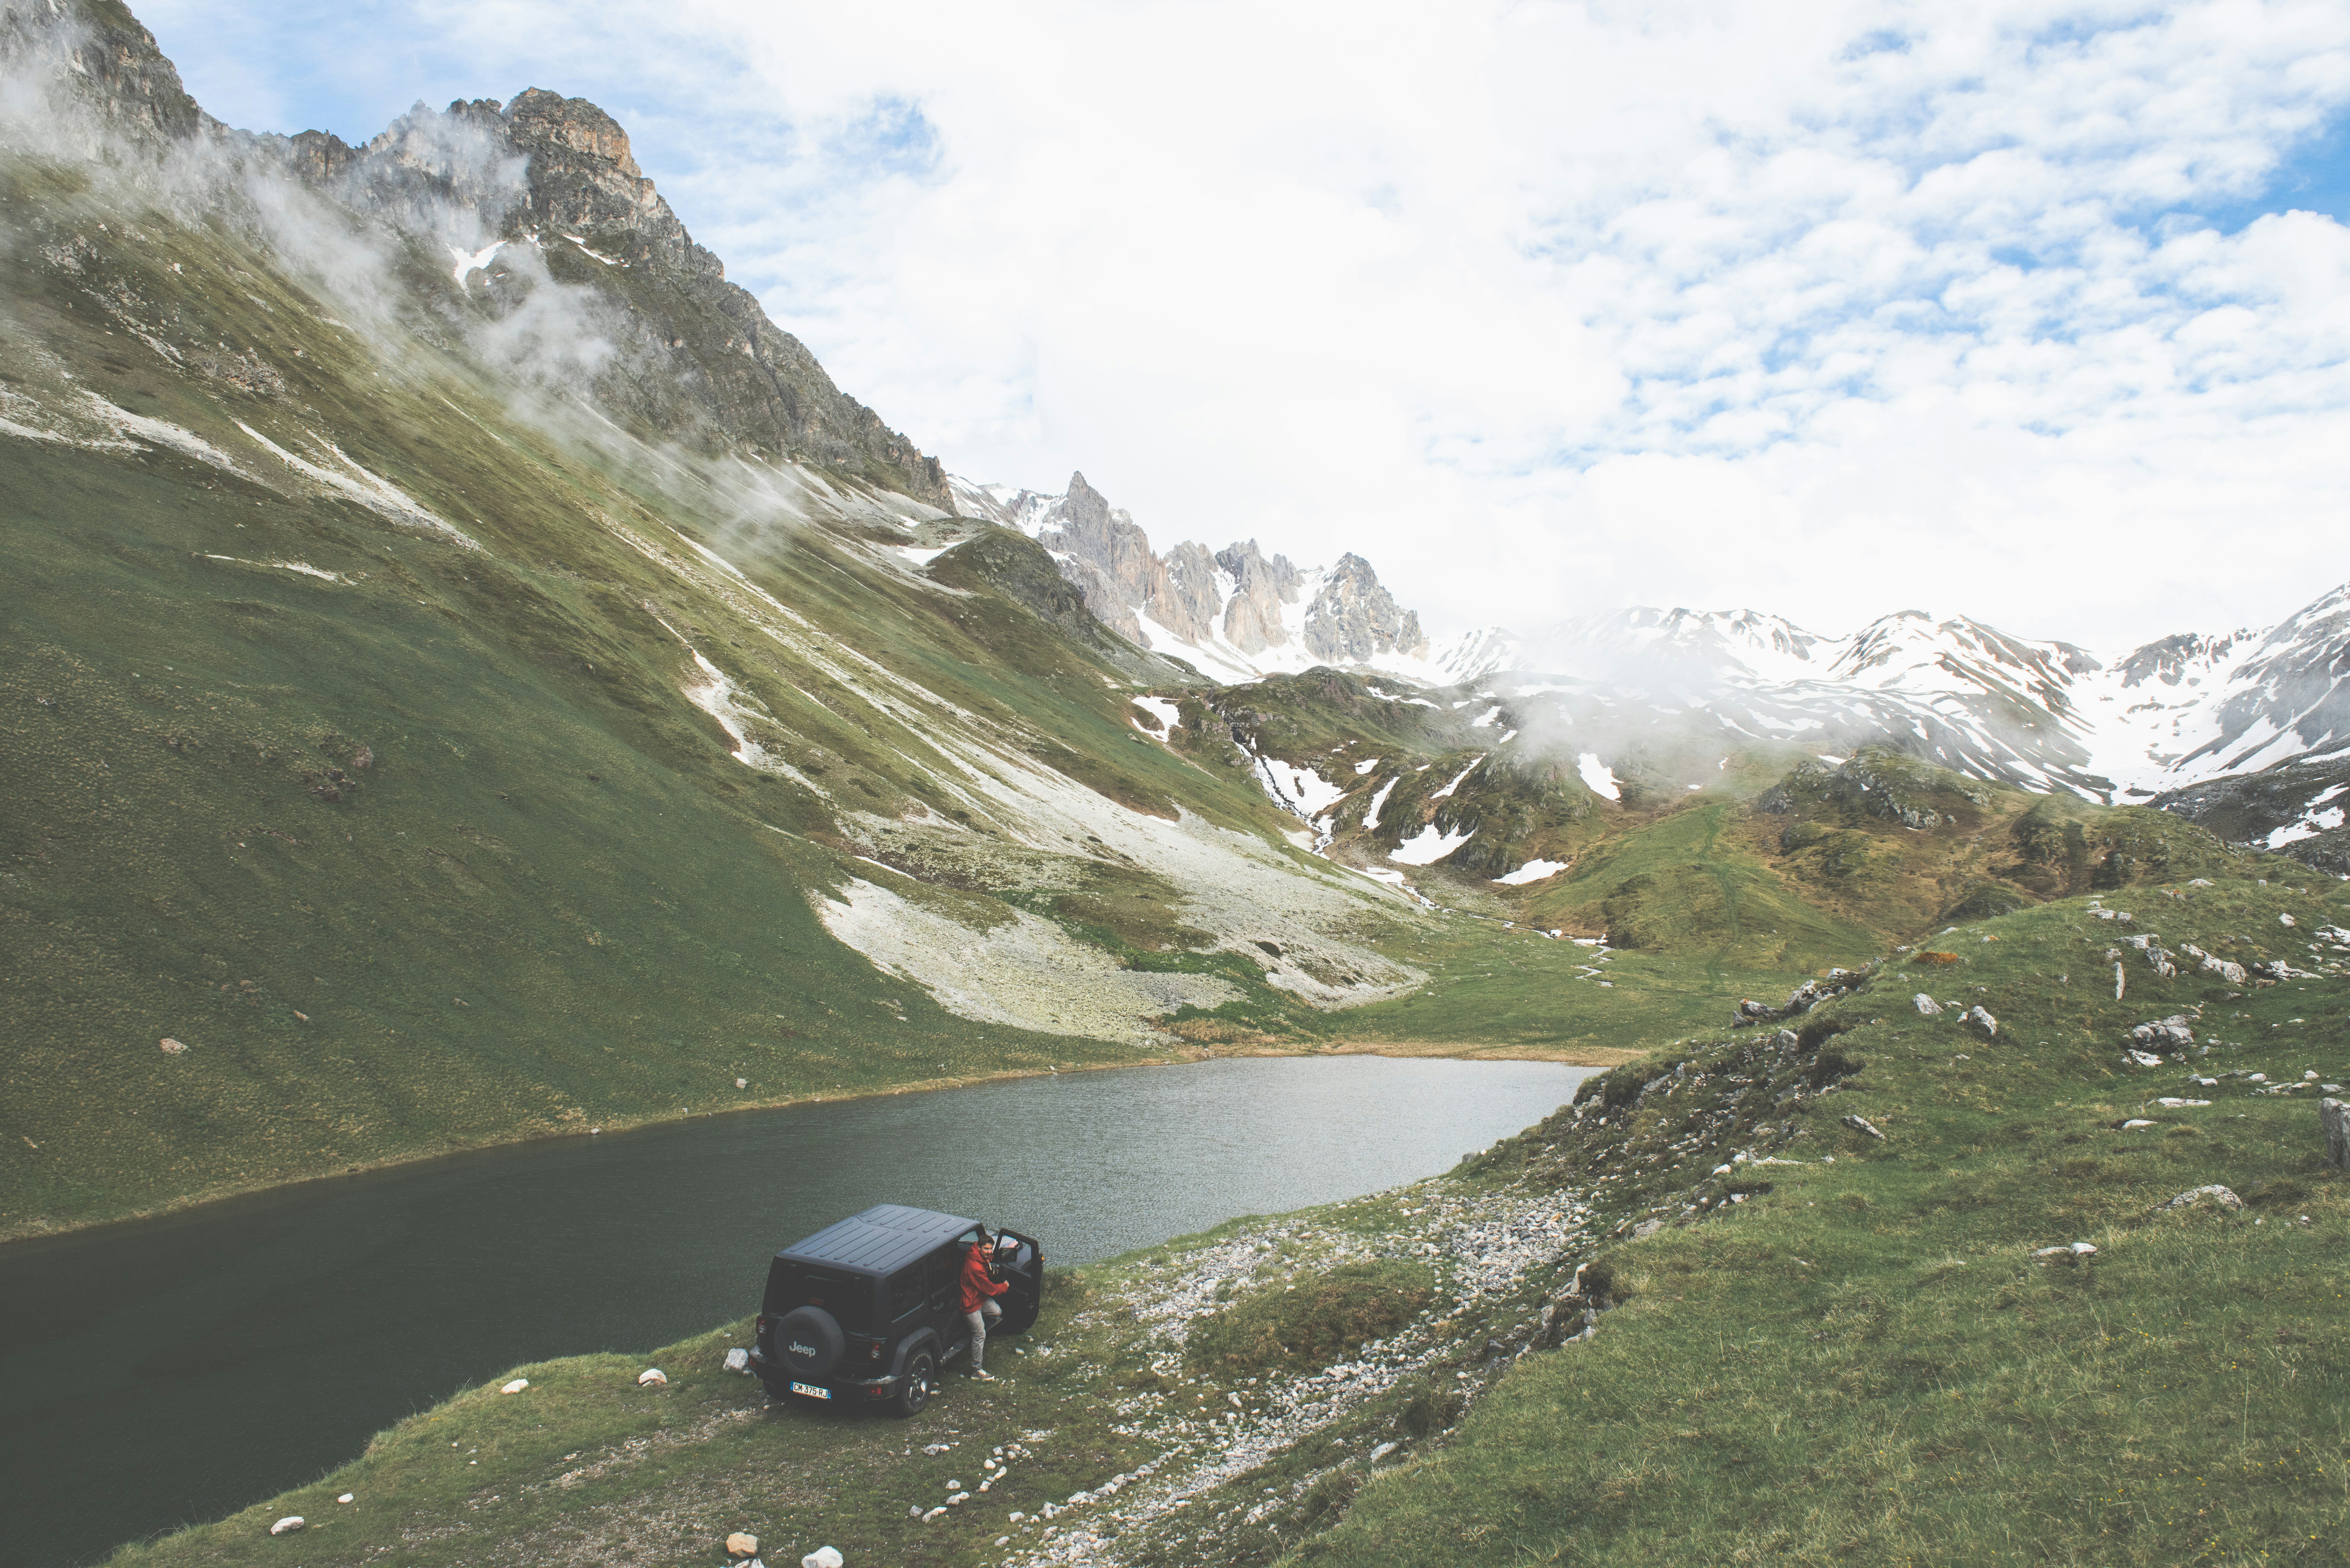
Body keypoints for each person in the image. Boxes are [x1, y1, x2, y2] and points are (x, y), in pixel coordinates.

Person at [959, 1227, 1011, 1381]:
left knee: (997, 1312)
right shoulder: (975, 1267)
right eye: (987, 1249)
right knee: (980, 1334)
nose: (989, 1252)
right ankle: (977, 1370)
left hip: (980, 1299)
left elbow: (987, 1263)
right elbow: (989, 1288)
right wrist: (1004, 1287)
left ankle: (975, 1326)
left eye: (991, 1249)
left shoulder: (979, 1255)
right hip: (971, 1305)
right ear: (979, 1247)